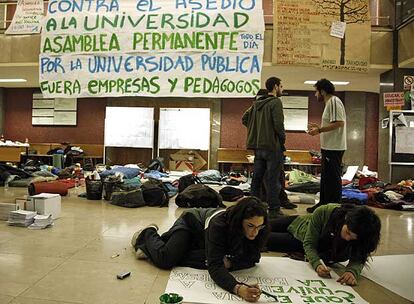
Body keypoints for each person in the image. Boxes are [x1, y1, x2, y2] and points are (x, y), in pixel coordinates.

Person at [131, 197, 269, 302]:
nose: (255, 233)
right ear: (239, 221)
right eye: (250, 226)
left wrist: (230, 263)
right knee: (166, 259)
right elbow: (215, 267)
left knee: (207, 260)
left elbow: (254, 258)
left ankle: (156, 248)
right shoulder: (219, 224)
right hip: (191, 224)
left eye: (259, 227)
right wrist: (238, 288)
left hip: (204, 239)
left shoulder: (258, 227)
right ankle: (147, 232)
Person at [266, 204, 381, 285]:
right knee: (263, 225)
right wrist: (316, 263)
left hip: (299, 242)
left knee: (264, 238)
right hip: (302, 225)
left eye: (353, 239)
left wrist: (352, 272)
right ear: (346, 219)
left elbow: (360, 256)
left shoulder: (364, 236)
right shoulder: (326, 211)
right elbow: (310, 242)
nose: (347, 238)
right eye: (347, 232)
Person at [242, 78, 286, 218]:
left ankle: (252, 206)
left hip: (257, 146)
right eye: (281, 86)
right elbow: (278, 124)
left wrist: (256, 129)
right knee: (273, 179)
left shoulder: (256, 104)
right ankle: (274, 209)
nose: (282, 89)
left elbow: (244, 118)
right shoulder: (275, 102)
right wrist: (282, 139)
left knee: (257, 178)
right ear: (275, 87)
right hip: (272, 147)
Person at [307, 79, 347, 213]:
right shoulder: (329, 103)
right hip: (328, 147)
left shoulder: (334, 101)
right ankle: (323, 204)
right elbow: (333, 123)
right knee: (326, 178)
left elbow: (339, 123)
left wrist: (319, 130)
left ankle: (333, 208)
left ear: (322, 91)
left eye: (316, 91)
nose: (315, 94)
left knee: (333, 179)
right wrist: (319, 128)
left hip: (334, 148)